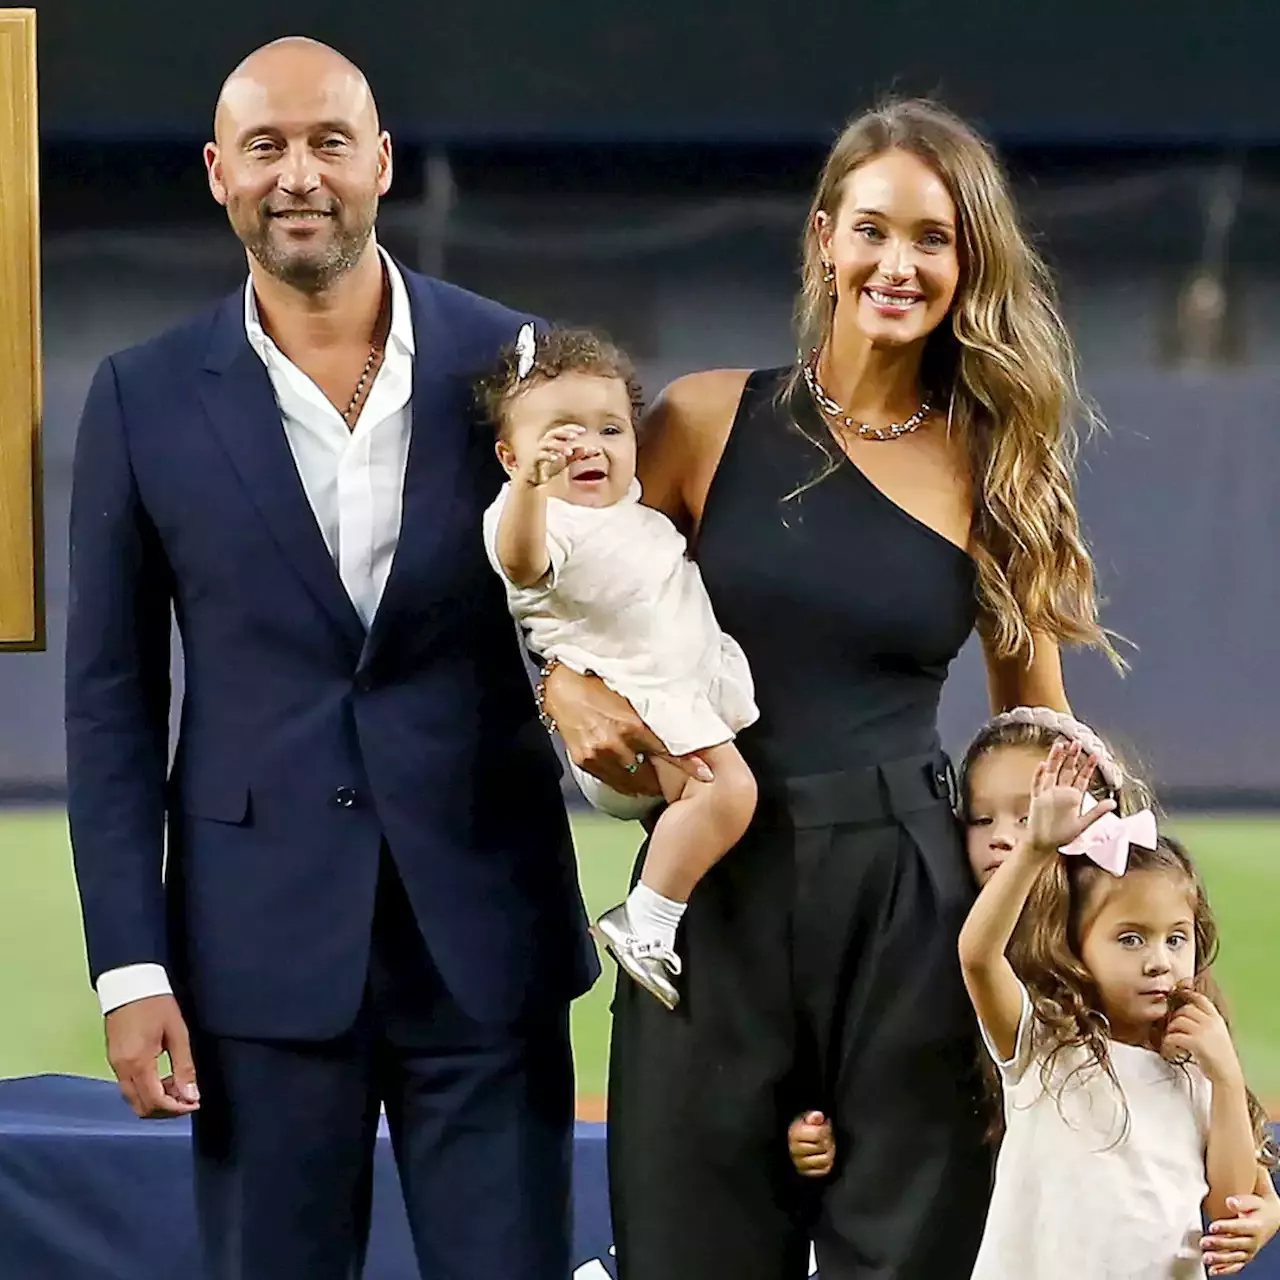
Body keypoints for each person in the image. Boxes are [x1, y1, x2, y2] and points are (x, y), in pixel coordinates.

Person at [539, 96, 1119, 1279]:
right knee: (684, 1244)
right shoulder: (702, 420)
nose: (896, 263)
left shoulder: (995, 462)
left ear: (967, 266)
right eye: (871, 229)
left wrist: (1101, 901)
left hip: (908, 909)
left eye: (932, 239)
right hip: (709, 887)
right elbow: (575, 586)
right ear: (821, 238)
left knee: (905, 1253)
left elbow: (1033, 722)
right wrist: (559, 686)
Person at [64, 37, 596, 1280]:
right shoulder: (141, 397)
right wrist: (128, 967)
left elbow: (600, 599)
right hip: (254, 954)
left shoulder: (519, 367)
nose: (297, 175)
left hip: (484, 935)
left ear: (380, 164)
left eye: (326, 144)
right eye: (265, 148)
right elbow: (111, 707)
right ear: (216, 173)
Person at [789, 709, 1280, 1277]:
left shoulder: (1180, 1051)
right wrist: (809, 1127)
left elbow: (1233, 1197)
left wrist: (1259, 1198)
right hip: (920, 1235)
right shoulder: (1042, 1033)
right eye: (982, 818)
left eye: (1032, 815)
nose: (1007, 835)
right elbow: (968, 961)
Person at [477, 325, 758, 1010]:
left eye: (610, 429)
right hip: (631, 716)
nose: (588, 446)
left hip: (680, 696)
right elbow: (520, 562)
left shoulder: (634, 514)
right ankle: (646, 920)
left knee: (721, 798)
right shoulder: (542, 520)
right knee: (729, 793)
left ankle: (659, 914)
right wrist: (528, 488)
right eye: (560, 434)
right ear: (512, 454)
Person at [958, 738, 1278, 1278]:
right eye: (1130, 939)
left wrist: (1224, 1077)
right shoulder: (1044, 1045)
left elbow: (1228, 1208)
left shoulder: (1194, 1064)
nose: (1159, 961)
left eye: (1176, 939)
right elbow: (978, 956)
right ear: (1074, 946)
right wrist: (1034, 848)